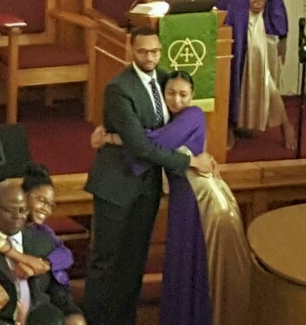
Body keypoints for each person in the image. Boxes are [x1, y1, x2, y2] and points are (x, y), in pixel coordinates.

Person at [92, 71, 251, 325]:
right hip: (185, 195)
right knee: (182, 263)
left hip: (200, 198)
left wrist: (110, 137)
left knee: (193, 263)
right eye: (171, 93)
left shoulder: (193, 114)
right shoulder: (167, 118)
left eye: (183, 94)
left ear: (193, 96)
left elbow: (153, 142)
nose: (177, 100)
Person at [83, 27, 215, 325]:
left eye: (155, 51)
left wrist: (111, 138)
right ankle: (96, 320)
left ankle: (125, 319)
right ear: (130, 51)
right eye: (143, 52)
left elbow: (168, 130)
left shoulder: (167, 79)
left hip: (147, 186)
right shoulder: (119, 88)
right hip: (116, 184)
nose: (150, 57)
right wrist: (189, 161)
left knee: (134, 260)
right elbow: (141, 146)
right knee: (106, 261)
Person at [161, 0, 294, 147]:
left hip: (255, 32)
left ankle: (285, 123)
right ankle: (229, 126)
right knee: (228, 77)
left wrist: (280, 30)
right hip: (229, 27)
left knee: (264, 80)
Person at [0, 179, 84, 325]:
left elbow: (56, 286)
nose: (17, 216)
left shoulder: (41, 239)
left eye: (21, 210)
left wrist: (70, 312)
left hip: (40, 317)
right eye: (10, 210)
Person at [0, 163, 74, 289]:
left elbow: (66, 254)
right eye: (41, 200)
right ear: (24, 194)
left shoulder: (39, 230)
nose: (46, 209)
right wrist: (22, 258)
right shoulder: (0, 209)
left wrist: (43, 265)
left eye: (50, 204)